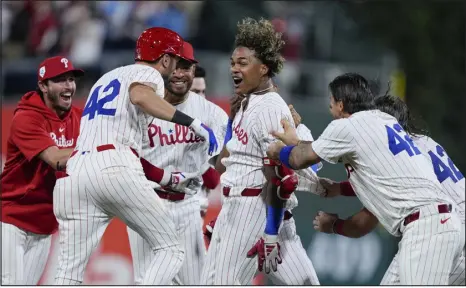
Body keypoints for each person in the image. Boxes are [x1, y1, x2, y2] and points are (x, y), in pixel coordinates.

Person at [52, 27, 219, 285]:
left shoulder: (105, 79)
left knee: (68, 273)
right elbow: (140, 94)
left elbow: (130, 150)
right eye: (174, 59)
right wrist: (193, 124)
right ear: (165, 59)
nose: (175, 67)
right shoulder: (146, 73)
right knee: (171, 248)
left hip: (75, 175)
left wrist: (168, 178)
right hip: (114, 165)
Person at [267, 73, 464, 285]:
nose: (330, 109)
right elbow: (380, 177)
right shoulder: (392, 128)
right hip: (441, 224)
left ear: (341, 104)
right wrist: (339, 188)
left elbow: (301, 158)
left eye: (332, 103)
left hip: (430, 228)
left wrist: (281, 150)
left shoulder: (350, 127)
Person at [200, 17, 323, 285]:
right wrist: (232, 120)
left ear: (264, 68)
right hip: (243, 210)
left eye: (243, 63)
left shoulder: (267, 106)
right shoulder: (246, 103)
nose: (234, 68)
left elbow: (280, 176)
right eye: (233, 62)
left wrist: (269, 234)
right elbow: (229, 162)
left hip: (254, 212)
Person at [312, 93, 465, 285]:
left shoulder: (399, 155)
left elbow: (365, 221)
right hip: (447, 226)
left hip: (444, 232)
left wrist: (334, 225)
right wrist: (341, 189)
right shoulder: (420, 143)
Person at [127, 41, 228, 285]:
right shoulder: (143, 106)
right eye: (176, 66)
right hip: (146, 202)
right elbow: (126, 155)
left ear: (194, 70)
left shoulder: (212, 114)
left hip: (187, 209)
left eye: (187, 67)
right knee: (149, 281)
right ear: (165, 66)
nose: (181, 73)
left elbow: (230, 163)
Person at [1, 56, 84, 284]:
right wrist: (93, 150)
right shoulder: (26, 117)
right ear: (43, 86)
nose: (69, 86)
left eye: (71, 79)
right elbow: (56, 159)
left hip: (44, 224)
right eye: (59, 80)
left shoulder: (79, 117)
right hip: (11, 220)